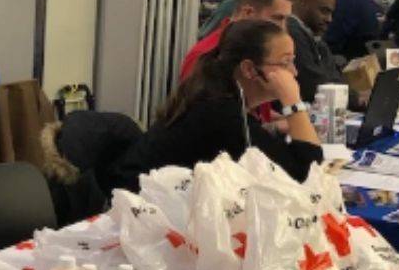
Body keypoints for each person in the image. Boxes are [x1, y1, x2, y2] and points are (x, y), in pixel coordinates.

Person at [107, 20, 322, 189]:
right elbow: (305, 174)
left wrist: (274, 128)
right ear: (249, 69)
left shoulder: (219, 99)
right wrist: (293, 103)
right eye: (285, 63)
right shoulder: (220, 112)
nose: (294, 72)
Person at [180, 0, 293, 81]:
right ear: (248, 13)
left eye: (286, 19)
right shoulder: (205, 58)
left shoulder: (263, 50)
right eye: (278, 18)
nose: (283, 29)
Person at [288, 0, 345, 102]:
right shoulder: (292, 32)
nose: (329, 19)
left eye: (331, 13)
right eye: (324, 11)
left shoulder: (314, 37)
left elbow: (335, 79)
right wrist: (356, 99)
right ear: (302, 4)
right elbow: (313, 84)